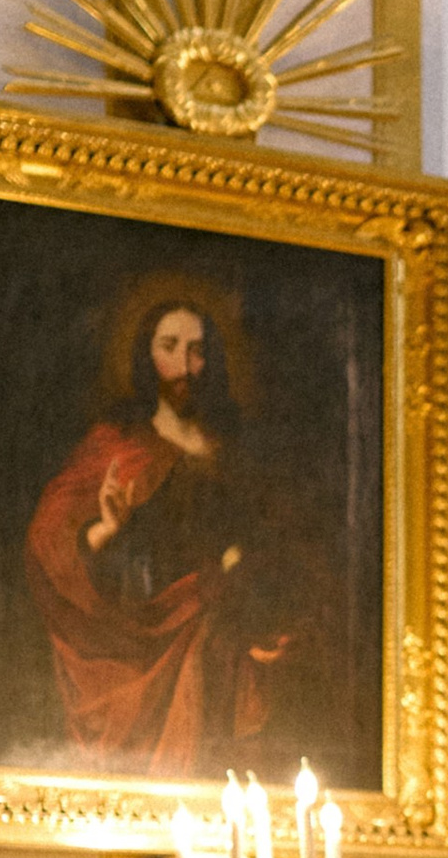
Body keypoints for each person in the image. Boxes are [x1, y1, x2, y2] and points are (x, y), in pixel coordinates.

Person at [24, 286, 308, 775]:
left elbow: (276, 542)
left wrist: (257, 597)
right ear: (145, 354)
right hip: (150, 641)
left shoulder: (235, 450)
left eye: (197, 351)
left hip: (232, 634)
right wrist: (105, 531)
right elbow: (47, 543)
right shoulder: (117, 446)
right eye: (169, 347)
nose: (184, 365)